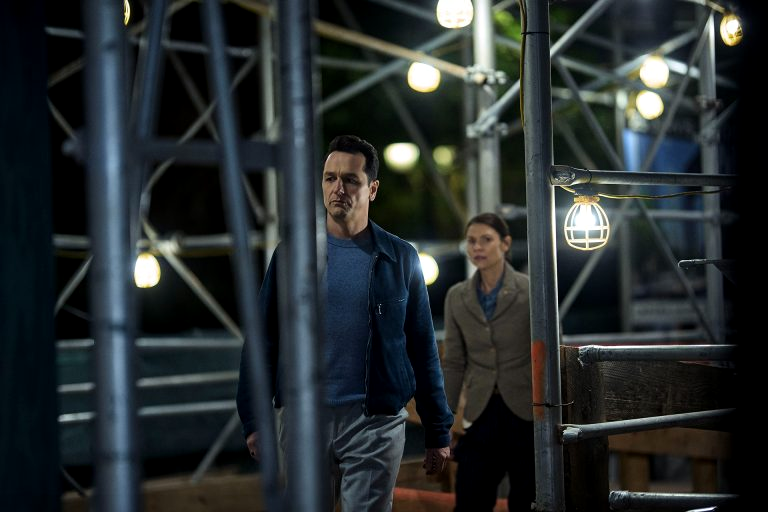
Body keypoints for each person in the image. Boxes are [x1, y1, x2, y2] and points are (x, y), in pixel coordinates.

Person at [236, 134, 453, 511]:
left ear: (372, 189)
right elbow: (263, 341)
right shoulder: (291, 256)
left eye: (350, 179)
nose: (338, 188)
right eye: (330, 178)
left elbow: (422, 347)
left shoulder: (400, 258)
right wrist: (254, 418)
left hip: (375, 421)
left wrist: (437, 429)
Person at [442, 212, 535, 512]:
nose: (477, 247)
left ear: (505, 244)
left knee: (528, 501)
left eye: (486, 240)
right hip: (481, 412)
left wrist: (550, 412)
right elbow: (454, 362)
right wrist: (444, 420)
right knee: (470, 496)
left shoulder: (531, 290)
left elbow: (548, 352)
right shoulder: (457, 297)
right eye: (471, 241)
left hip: (526, 412)